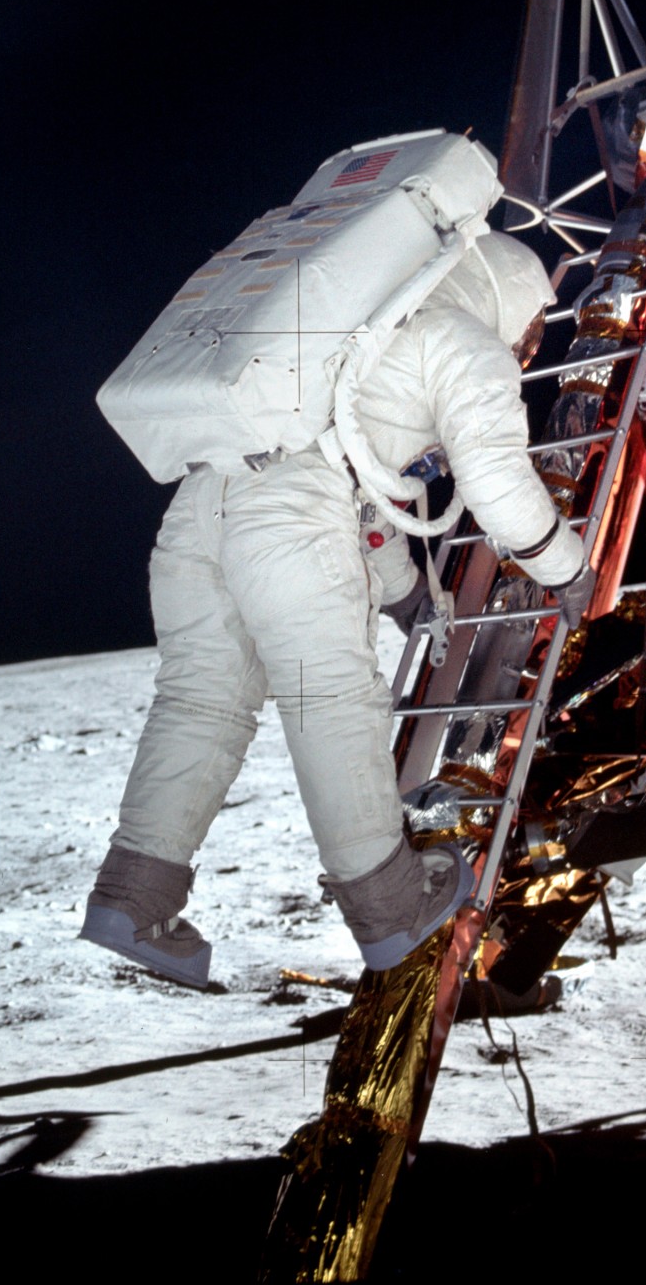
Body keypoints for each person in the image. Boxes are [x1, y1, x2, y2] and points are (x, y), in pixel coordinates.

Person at [81, 229, 594, 986]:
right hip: (288, 523)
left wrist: (407, 594)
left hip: (199, 516)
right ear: (510, 296)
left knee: (199, 705)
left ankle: (133, 901)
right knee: (331, 702)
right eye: (530, 329)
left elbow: (364, 487)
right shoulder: (460, 338)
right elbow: (495, 484)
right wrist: (566, 565)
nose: (526, 346)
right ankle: (389, 907)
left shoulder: (370, 333)